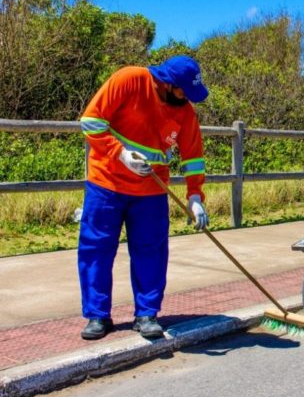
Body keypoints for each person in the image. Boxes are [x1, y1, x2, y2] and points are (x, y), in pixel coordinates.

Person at [78, 55, 210, 340]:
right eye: (183, 91)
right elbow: (90, 121)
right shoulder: (129, 79)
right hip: (106, 183)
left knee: (151, 250)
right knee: (97, 249)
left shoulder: (185, 112)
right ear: (167, 84)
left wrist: (195, 196)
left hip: (152, 190)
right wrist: (121, 154)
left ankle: (147, 313)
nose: (187, 98)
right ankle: (97, 315)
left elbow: (193, 157)